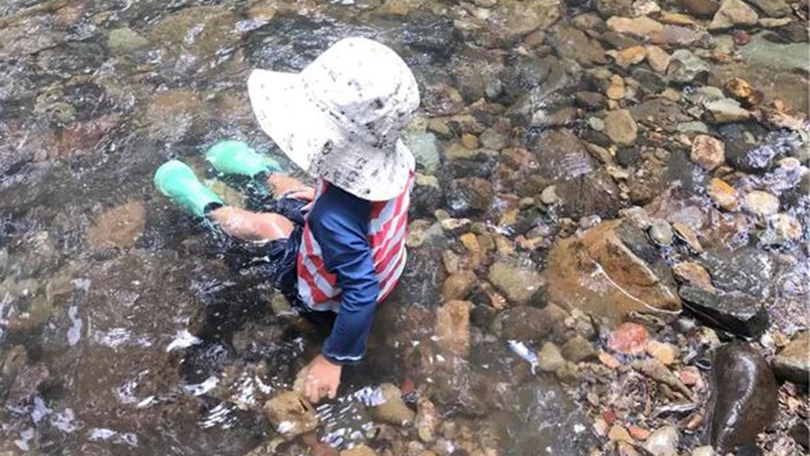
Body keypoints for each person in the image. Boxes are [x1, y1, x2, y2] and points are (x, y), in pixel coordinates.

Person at [152, 37, 419, 404]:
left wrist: (333, 358)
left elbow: (361, 291)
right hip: (383, 260)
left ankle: (207, 205)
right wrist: (327, 203)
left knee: (269, 225)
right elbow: (370, 214)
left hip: (327, 294)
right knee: (298, 191)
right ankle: (265, 174)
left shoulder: (332, 219)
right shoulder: (399, 160)